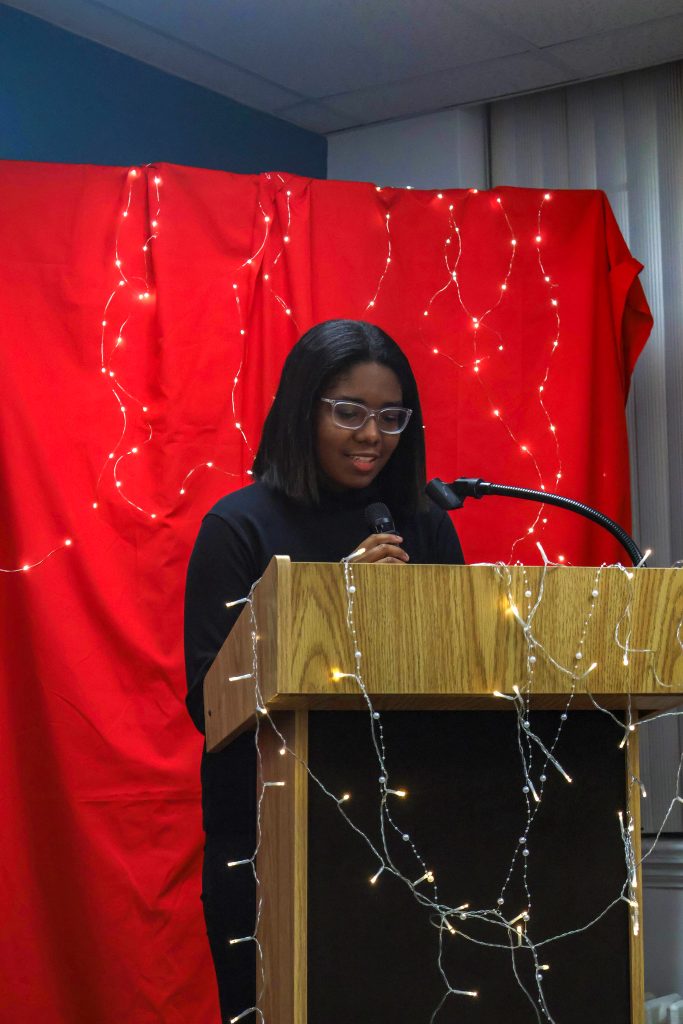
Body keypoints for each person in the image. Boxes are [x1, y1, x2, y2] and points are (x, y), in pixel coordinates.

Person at [184, 319, 464, 1019]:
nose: (372, 434)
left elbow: (462, 675)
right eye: (348, 411)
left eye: (390, 416)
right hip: (270, 839)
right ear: (301, 407)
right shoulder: (239, 526)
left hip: (406, 834)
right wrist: (325, 603)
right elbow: (210, 704)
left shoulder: (422, 523)